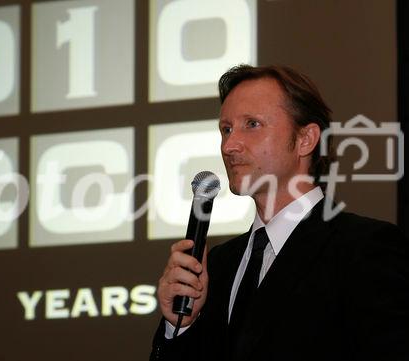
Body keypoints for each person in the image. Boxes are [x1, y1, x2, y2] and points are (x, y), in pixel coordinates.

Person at [150, 64, 409, 361]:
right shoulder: (215, 267)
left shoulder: (364, 248)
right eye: (226, 129)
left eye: (252, 124)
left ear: (306, 139)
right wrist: (178, 327)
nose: (230, 145)